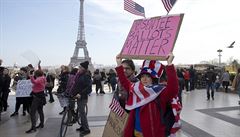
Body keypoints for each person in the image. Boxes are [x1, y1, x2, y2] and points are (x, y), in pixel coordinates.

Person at [115, 53, 179, 137]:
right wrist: (119, 64)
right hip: (136, 133)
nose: (144, 79)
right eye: (142, 76)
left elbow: (173, 89)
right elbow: (124, 80)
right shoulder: (135, 89)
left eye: (148, 76)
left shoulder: (160, 93)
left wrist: (169, 64)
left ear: (153, 78)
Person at [70, 61, 92, 136]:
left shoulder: (86, 75)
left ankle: (86, 129)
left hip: (82, 97)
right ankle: (83, 127)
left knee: (82, 113)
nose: (79, 68)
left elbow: (88, 88)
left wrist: (80, 93)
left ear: (83, 68)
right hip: (78, 96)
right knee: (80, 112)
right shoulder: (80, 74)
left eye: (80, 67)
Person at [26, 69, 46, 133]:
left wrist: (31, 76)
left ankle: (33, 127)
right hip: (41, 96)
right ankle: (41, 124)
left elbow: (34, 82)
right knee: (40, 111)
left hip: (37, 97)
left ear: (36, 74)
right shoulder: (43, 77)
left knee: (32, 112)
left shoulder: (40, 78)